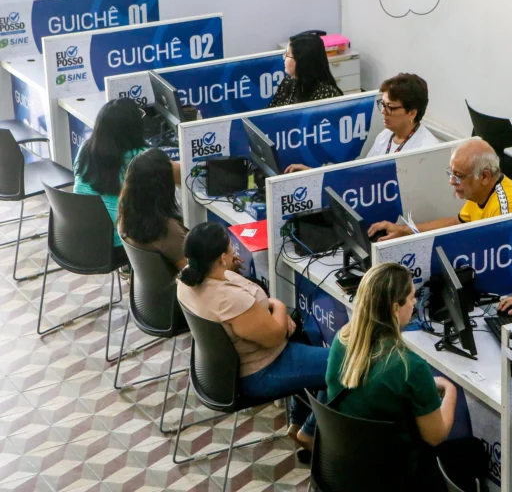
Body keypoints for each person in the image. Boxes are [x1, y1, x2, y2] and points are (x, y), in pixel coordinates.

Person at [325, 262, 486, 491]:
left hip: (348, 469)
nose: (414, 303)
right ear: (395, 307)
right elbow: (436, 436)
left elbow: (376, 384)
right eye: (411, 297)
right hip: (396, 477)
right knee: (473, 451)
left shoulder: (342, 339)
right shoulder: (410, 367)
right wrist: (450, 390)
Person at [176, 223, 328, 451]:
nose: (234, 251)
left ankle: (297, 421)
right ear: (221, 258)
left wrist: (229, 273)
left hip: (221, 370)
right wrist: (278, 306)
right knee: (347, 363)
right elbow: (275, 336)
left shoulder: (186, 282)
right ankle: (310, 431)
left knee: (307, 337)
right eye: (230, 248)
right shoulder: (229, 299)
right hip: (262, 370)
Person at [367, 139, 512, 241]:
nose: (451, 182)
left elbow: (499, 260)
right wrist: (403, 230)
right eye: (451, 173)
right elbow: (456, 223)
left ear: (485, 176)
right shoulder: (481, 192)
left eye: (459, 176)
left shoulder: (504, 210)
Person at [73, 98, 180, 249]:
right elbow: (182, 175)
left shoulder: (85, 148)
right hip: (120, 243)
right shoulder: (142, 157)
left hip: (80, 238)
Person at [284, 72, 439, 173]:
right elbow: (361, 174)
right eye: (382, 104)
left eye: (390, 107)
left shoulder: (426, 149)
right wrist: (313, 172)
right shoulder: (385, 136)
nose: (383, 111)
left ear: (412, 113)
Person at [117, 149, 188, 270]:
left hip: (151, 281)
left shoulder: (126, 216)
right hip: (177, 281)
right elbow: (194, 275)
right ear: (163, 188)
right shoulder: (168, 231)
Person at [268, 32, 343, 109]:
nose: (284, 57)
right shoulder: (288, 81)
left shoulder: (326, 93)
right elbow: (272, 111)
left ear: (302, 61)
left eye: (288, 55)